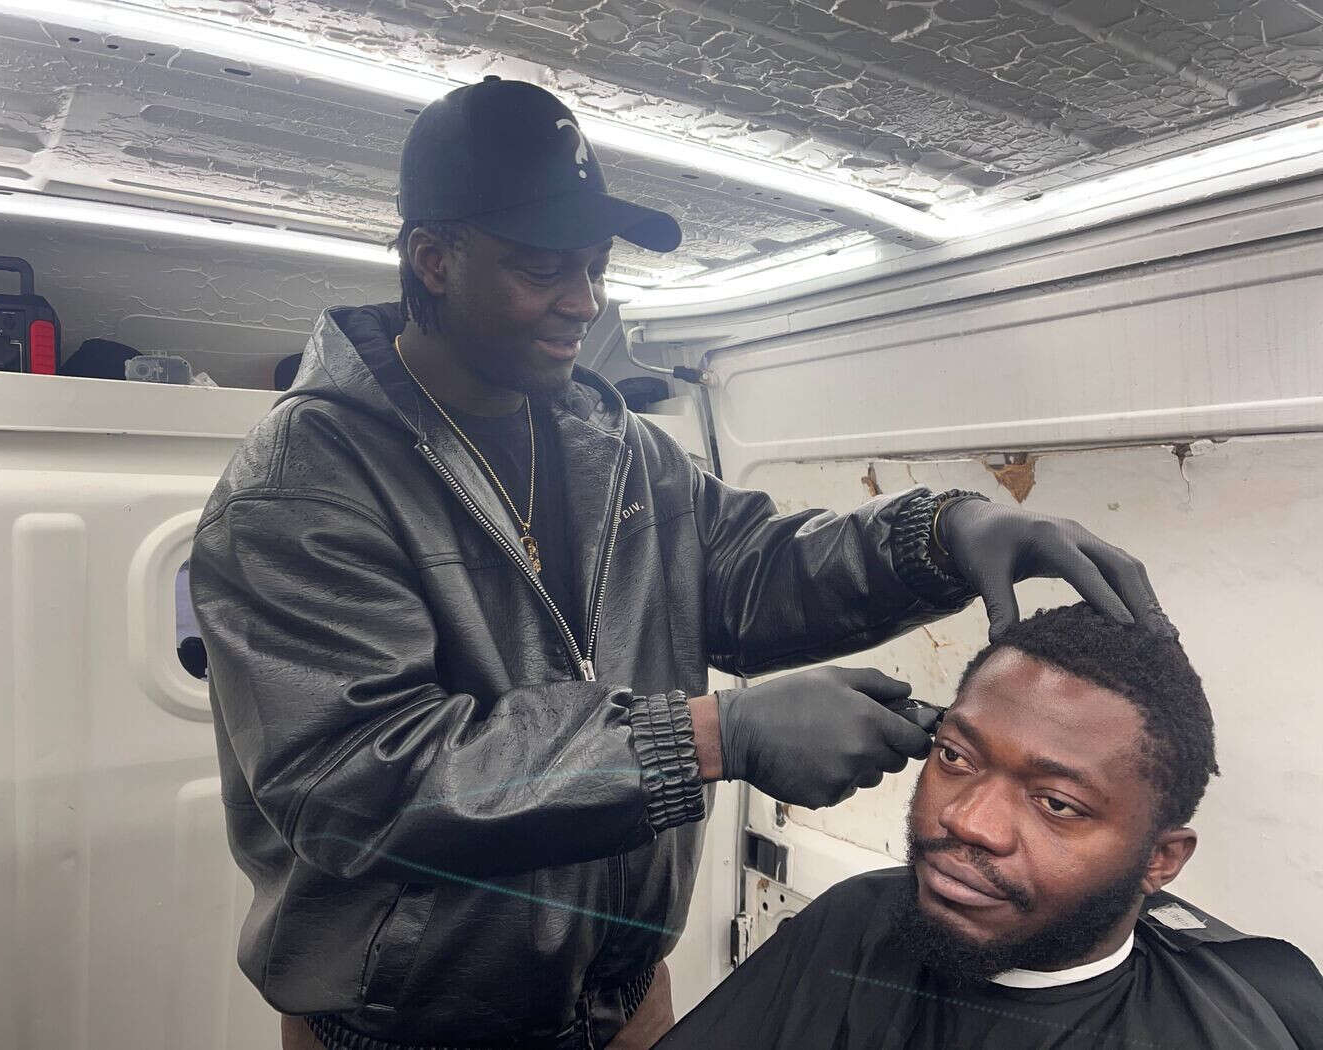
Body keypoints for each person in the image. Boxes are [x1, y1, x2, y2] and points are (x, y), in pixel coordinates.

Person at [188, 77, 1171, 1050]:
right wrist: (707, 736)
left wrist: (937, 537)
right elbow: (362, 783)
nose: (583, 304)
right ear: (433, 259)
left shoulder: (617, 449)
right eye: (542, 269)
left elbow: (756, 575)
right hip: (412, 1031)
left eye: (595, 266)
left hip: (622, 1001)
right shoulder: (305, 478)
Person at [654, 604, 1323, 1050]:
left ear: (1162, 859)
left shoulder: (1229, 1032)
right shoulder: (854, 919)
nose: (964, 820)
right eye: (955, 756)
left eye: (1056, 803)